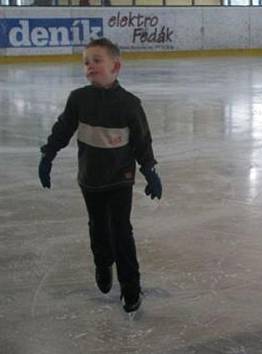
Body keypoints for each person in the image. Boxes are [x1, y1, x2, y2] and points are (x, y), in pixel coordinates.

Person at [38, 37, 162, 314]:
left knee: (122, 231)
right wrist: (48, 155)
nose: (90, 66)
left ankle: (131, 287)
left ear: (115, 66)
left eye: (97, 60)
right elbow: (62, 129)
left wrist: (149, 169)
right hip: (90, 177)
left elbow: (143, 141)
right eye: (86, 62)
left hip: (120, 177)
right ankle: (103, 262)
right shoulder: (79, 99)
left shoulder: (130, 104)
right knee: (97, 226)